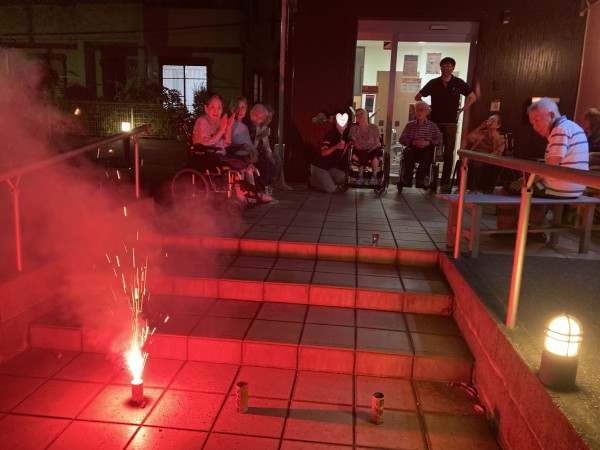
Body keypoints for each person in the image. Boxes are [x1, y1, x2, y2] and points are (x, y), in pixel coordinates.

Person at [415, 56, 477, 193]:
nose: (446, 68)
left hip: (450, 123)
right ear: (441, 68)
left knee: (449, 152)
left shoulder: (458, 83)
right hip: (434, 122)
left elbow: (473, 97)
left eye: (449, 66)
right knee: (430, 149)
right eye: (444, 66)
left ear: (453, 68)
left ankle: (445, 183)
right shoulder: (434, 83)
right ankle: (428, 178)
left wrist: (461, 110)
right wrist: (427, 108)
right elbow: (417, 97)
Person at [508, 97, 588, 198]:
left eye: (537, 120)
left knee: (508, 191)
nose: (535, 127)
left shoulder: (560, 130)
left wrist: (528, 180)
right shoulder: (571, 126)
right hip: (577, 186)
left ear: (551, 115)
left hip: (562, 186)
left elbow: (551, 166)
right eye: (532, 124)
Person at [397, 101, 442, 189]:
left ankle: (420, 179)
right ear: (414, 112)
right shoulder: (409, 125)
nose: (419, 112)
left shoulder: (433, 126)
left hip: (427, 148)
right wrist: (413, 142)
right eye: (417, 109)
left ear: (427, 112)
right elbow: (401, 139)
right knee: (409, 152)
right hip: (412, 148)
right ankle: (407, 179)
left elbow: (439, 140)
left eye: (422, 110)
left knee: (427, 153)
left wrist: (428, 142)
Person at [457, 114, 506, 193]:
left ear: (498, 125)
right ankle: (461, 187)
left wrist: (487, 157)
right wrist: (481, 126)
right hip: (474, 155)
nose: (490, 122)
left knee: (477, 164)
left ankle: (474, 189)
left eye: (493, 120)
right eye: (490, 119)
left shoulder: (499, 138)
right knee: (460, 162)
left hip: (486, 157)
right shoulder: (481, 133)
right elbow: (470, 138)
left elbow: (498, 151)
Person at [309, 113, 350, 192]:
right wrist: (335, 147)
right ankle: (313, 181)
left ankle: (322, 181)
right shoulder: (331, 134)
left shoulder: (345, 136)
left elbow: (341, 155)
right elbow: (323, 153)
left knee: (343, 177)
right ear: (336, 123)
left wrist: (347, 146)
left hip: (329, 168)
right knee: (331, 189)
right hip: (319, 167)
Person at [245, 103, 277, 196]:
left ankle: (271, 184)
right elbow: (251, 142)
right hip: (252, 152)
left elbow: (266, 143)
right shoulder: (252, 126)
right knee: (265, 162)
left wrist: (269, 153)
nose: (267, 120)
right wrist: (259, 137)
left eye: (269, 118)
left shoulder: (265, 128)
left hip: (259, 151)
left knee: (275, 159)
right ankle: (264, 187)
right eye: (266, 117)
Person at [349, 108, 383, 185]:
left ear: (366, 115)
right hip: (360, 149)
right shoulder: (354, 128)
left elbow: (378, 143)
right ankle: (360, 176)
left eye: (361, 114)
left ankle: (374, 176)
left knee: (376, 152)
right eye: (357, 115)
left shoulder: (374, 127)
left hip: (373, 148)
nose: (359, 116)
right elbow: (353, 141)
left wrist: (371, 149)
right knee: (363, 153)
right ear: (356, 118)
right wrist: (357, 145)